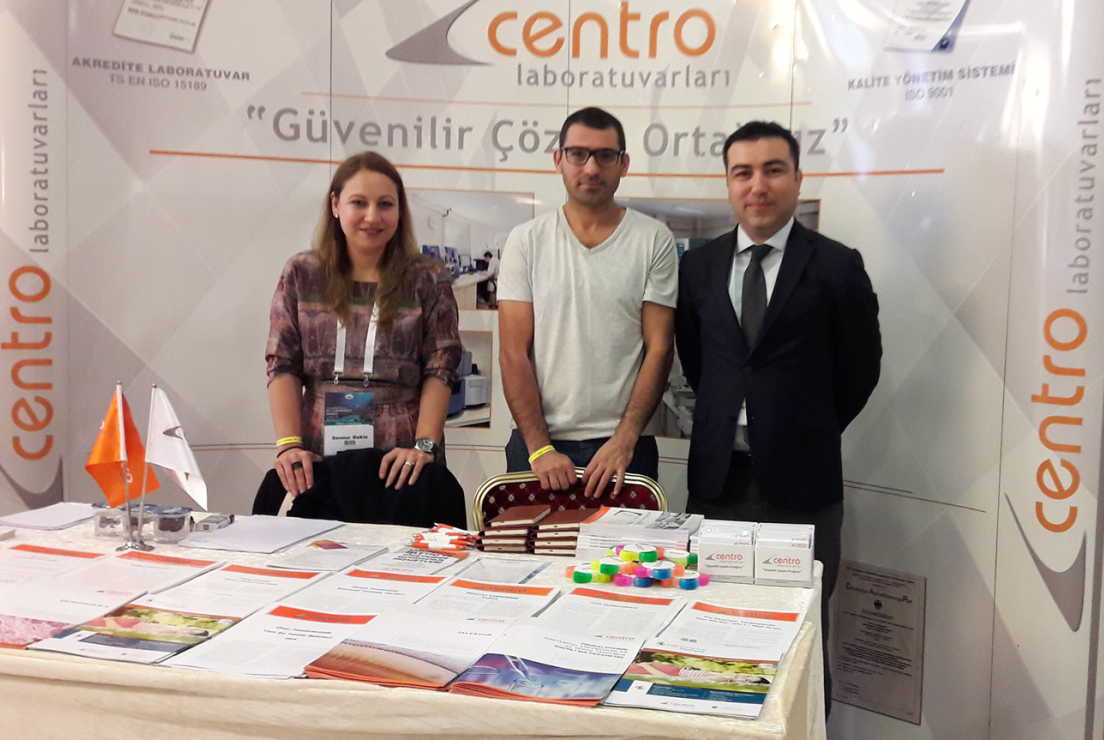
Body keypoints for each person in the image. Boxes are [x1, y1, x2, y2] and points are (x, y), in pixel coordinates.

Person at [675, 120, 882, 711]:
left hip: (803, 488)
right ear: (728, 183)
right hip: (717, 486)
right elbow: (700, 363)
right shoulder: (699, 267)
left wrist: (801, 429)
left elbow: (861, 370)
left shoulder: (837, 265)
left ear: (796, 178)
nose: (757, 185)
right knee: (712, 637)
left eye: (772, 170)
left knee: (802, 642)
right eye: (742, 172)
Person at [499, 107, 678, 498]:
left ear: (624, 164)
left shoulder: (653, 240)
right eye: (578, 154)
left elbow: (660, 347)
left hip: (624, 450)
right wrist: (539, 448)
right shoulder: (526, 241)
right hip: (537, 447)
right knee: (528, 542)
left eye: (605, 155)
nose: (591, 168)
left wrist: (625, 439)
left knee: (625, 543)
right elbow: (513, 352)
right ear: (558, 160)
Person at [266, 151, 462, 497]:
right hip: (318, 453)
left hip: (405, 457)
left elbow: (441, 368)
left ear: (399, 210)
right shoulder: (302, 273)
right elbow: (282, 363)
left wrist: (424, 446)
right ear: (335, 205)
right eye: (359, 202)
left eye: (385, 204)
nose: (373, 216)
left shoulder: (428, 278)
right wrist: (289, 446)